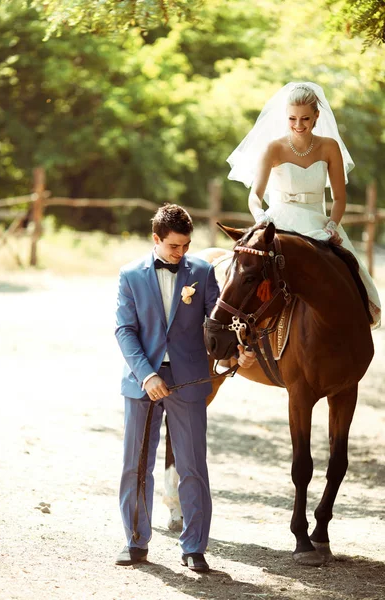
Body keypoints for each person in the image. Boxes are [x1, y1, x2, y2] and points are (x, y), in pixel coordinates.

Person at [114, 203, 254, 573]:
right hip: (143, 382)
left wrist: (235, 353)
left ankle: (194, 547)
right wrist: (147, 375)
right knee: (136, 466)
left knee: (193, 467)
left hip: (190, 382)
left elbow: (217, 323)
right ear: (156, 239)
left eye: (187, 245)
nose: (181, 253)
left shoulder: (204, 273)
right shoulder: (130, 275)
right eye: (175, 246)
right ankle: (135, 542)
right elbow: (125, 331)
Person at [227, 81, 381, 328]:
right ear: (285, 117)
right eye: (292, 119)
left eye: (305, 119)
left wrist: (333, 224)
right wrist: (260, 216)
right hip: (279, 221)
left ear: (317, 116)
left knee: (348, 269)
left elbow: (339, 198)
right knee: (252, 270)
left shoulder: (329, 147)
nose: (299, 125)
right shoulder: (273, 147)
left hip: (318, 222)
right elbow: (255, 195)